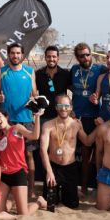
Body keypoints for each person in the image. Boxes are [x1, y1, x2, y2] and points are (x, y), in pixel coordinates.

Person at [0, 43, 38, 195]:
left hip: (25, 119)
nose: (15, 56)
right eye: (12, 53)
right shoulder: (1, 71)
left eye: (18, 53)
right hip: (7, 121)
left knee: (28, 154)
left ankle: (31, 189)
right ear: (8, 54)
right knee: (4, 154)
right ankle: (7, 188)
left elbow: (34, 94)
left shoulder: (30, 71)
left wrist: (33, 100)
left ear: (22, 54)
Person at [39, 95, 95, 209]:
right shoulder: (47, 125)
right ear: (56, 107)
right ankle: (56, 191)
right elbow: (43, 150)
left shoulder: (76, 124)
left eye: (66, 106)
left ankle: (70, 192)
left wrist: (99, 127)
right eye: (60, 105)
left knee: (72, 204)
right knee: (50, 204)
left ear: (71, 107)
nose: (63, 108)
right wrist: (49, 172)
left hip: (70, 168)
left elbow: (88, 142)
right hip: (53, 167)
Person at [0, 108, 47, 215]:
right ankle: (12, 202)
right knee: (0, 211)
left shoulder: (16, 128)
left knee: (23, 215)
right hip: (4, 176)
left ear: (6, 117)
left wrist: (37, 117)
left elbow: (34, 136)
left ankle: (39, 202)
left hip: (18, 173)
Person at [70, 43, 106, 196]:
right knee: (82, 156)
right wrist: (70, 107)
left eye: (87, 54)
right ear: (77, 58)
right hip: (77, 117)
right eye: (81, 55)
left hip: (94, 117)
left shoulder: (100, 69)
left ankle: (97, 186)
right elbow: (69, 87)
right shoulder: (73, 70)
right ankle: (82, 187)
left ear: (91, 54)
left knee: (96, 155)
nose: (85, 57)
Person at [34, 45, 71, 187]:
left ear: (58, 58)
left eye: (54, 56)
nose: (51, 59)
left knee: (58, 149)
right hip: (44, 119)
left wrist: (71, 111)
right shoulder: (38, 74)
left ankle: (60, 181)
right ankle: (47, 181)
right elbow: (32, 93)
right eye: (49, 56)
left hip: (61, 118)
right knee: (44, 151)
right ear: (45, 57)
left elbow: (74, 92)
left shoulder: (65, 74)